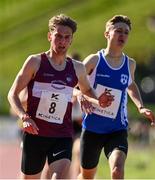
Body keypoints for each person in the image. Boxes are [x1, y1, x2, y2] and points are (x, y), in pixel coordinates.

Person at [7, 14, 109, 179]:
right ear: (49, 36)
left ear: (71, 40)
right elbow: (12, 93)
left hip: (61, 136)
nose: (62, 41)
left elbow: (87, 90)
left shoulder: (77, 68)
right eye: (58, 36)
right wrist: (23, 116)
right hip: (35, 135)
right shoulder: (35, 62)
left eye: (66, 37)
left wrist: (98, 100)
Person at [78, 15, 155, 180]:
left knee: (117, 170)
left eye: (126, 32)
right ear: (107, 34)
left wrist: (140, 106)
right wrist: (80, 95)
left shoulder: (130, 64)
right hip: (92, 128)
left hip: (117, 129)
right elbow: (72, 84)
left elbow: (131, 84)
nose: (123, 35)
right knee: (86, 177)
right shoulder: (94, 60)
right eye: (118, 31)